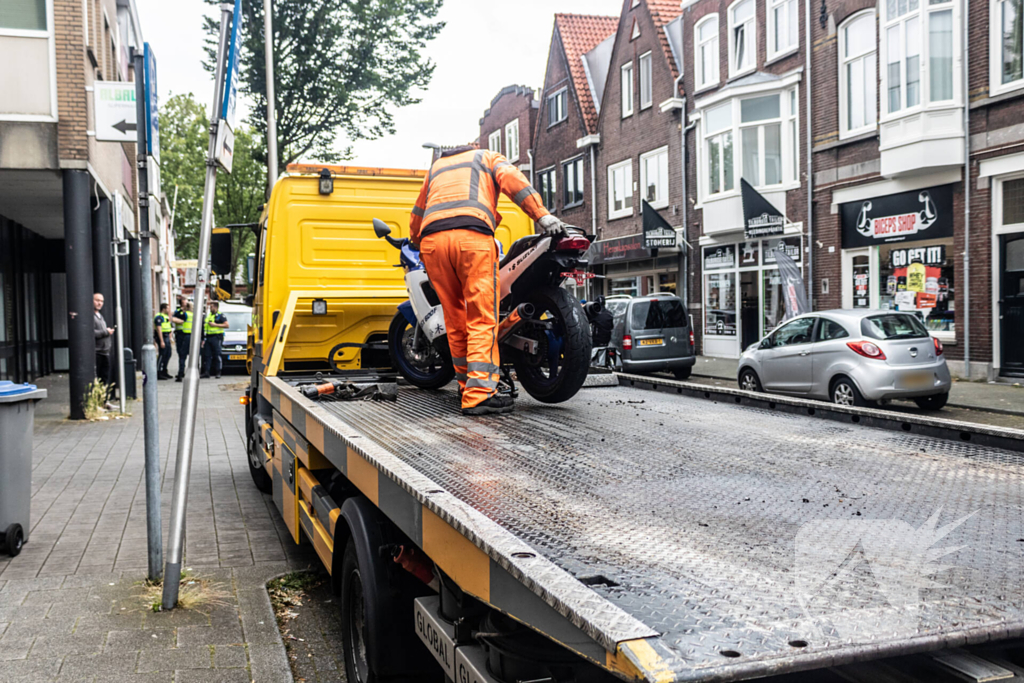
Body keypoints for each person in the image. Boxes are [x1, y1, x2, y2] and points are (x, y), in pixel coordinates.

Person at [409, 144, 568, 416]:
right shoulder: (486, 157)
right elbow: (513, 180)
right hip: (472, 239)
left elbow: (418, 213)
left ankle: (466, 385)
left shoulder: (436, 168)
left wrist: (415, 241)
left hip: (432, 244)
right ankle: (480, 394)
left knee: (454, 317)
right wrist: (541, 214)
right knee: (481, 317)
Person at [93, 292, 116, 407]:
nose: (99, 303)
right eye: (97, 300)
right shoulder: (90, 316)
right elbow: (91, 333)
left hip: (105, 351)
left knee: (105, 378)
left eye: (101, 301)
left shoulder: (100, 316)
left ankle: (104, 401)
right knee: (99, 378)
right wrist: (106, 332)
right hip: (98, 352)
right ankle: (98, 402)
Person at [200, 300, 229, 379]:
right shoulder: (208, 315)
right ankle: (206, 372)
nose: (210, 308)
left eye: (211, 306)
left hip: (216, 337)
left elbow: (226, 325)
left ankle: (218, 372)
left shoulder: (220, 316)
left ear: (216, 307)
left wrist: (215, 325)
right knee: (207, 355)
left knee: (217, 355)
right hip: (208, 337)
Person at [588, 296, 615, 368]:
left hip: (596, 341)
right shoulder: (609, 314)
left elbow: (587, 322)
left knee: (588, 351)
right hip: (607, 340)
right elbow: (612, 327)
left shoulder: (595, 314)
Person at [171, 298, 192, 382]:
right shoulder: (180, 312)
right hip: (181, 335)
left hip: (184, 336)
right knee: (183, 355)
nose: (185, 305)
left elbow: (173, 319)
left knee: (182, 355)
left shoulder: (185, 314)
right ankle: (183, 372)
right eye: (184, 303)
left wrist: (177, 320)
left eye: (186, 303)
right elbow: (173, 319)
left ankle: (181, 373)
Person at [154, 303, 173, 380]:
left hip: (166, 337)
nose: (169, 310)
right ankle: (158, 372)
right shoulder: (159, 317)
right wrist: (162, 341)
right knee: (162, 354)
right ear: (163, 309)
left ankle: (164, 370)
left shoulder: (165, 317)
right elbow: (159, 329)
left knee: (168, 354)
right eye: (168, 308)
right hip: (162, 337)